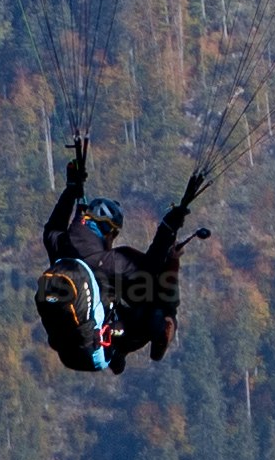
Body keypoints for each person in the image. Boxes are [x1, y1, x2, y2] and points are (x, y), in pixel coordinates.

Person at [34, 135, 217, 373]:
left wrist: (71, 191)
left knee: (125, 292)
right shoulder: (111, 261)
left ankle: (119, 346)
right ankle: (148, 333)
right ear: (108, 231)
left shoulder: (58, 245)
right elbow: (151, 267)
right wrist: (169, 230)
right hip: (95, 352)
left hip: (67, 353)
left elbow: (53, 227)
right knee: (154, 297)